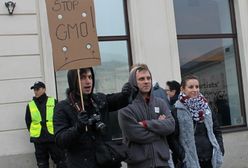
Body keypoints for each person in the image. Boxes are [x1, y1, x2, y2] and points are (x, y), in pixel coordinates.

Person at [53, 67, 133, 168]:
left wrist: (126, 93)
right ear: (73, 81)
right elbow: (60, 140)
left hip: (106, 161)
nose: (88, 81)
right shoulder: (63, 107)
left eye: (90, 77)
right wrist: (78, 128)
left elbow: (117, 100)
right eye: (82, 78)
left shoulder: (98, 99)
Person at [118, 64, 175, 168]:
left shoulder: (160, 103)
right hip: (139, 164)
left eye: (148, 78)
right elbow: (135, 134)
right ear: (133, 82)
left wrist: (146, 124)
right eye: (141, 79)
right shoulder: (125, 107)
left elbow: (171, 125)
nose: (146, 81)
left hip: (162, 163)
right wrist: (160, 129)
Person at [169, 75, 224, 168]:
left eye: (197, 86)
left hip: (211, 159)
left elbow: (216, 130)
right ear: (182, 89)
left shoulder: (206, 107)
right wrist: (183, 156)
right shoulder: (176, 110)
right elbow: (172, 138)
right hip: (190, 161)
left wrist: (220, 149)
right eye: (191, 87)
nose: (195, 90)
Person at [25, 81, 66, 168]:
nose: (35, 91)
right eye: (34, 90)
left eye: (37, 89)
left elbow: (60, 118)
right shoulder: (30, 105)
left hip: (52, 138)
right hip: (38, 140)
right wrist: (35, 132)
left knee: (61, 162)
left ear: (44, 89)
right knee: (42, 164)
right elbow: (28, 122)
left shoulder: (53, 102)